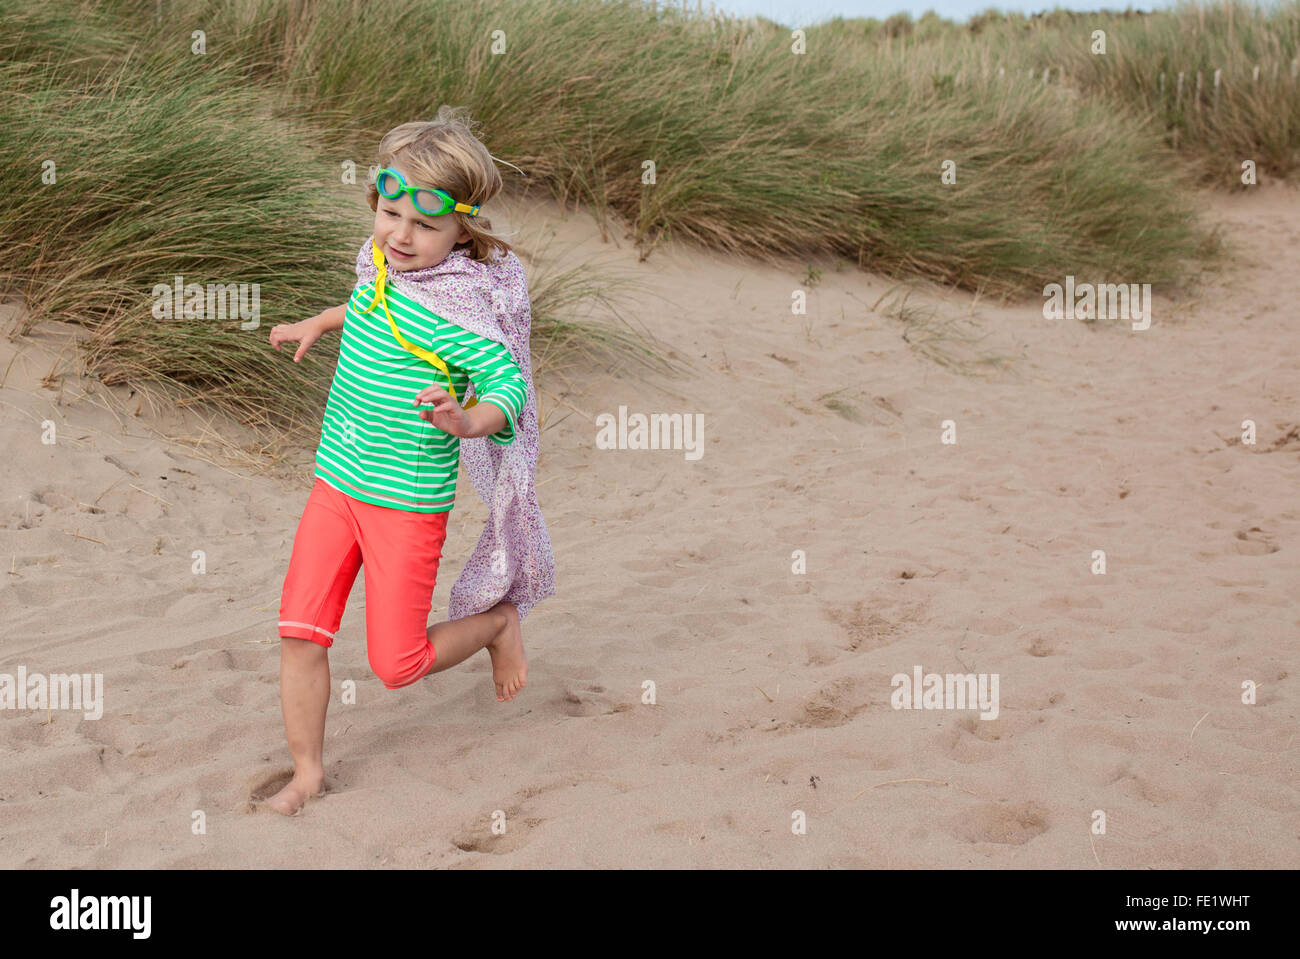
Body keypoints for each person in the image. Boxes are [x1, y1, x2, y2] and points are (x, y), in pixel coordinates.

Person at [264, 109, 555, 816]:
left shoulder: (463, 310)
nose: (400, 235)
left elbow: (508, 385)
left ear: (464, 229)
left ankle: (494, 623)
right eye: (389, 213)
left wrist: (466, 420)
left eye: (423, 225)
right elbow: (364, 304)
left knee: (395, 665)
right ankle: (306, 772)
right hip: (335, 485)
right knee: (300, 633)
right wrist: (319, 321)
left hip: (405, 504)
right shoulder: (380, 271)